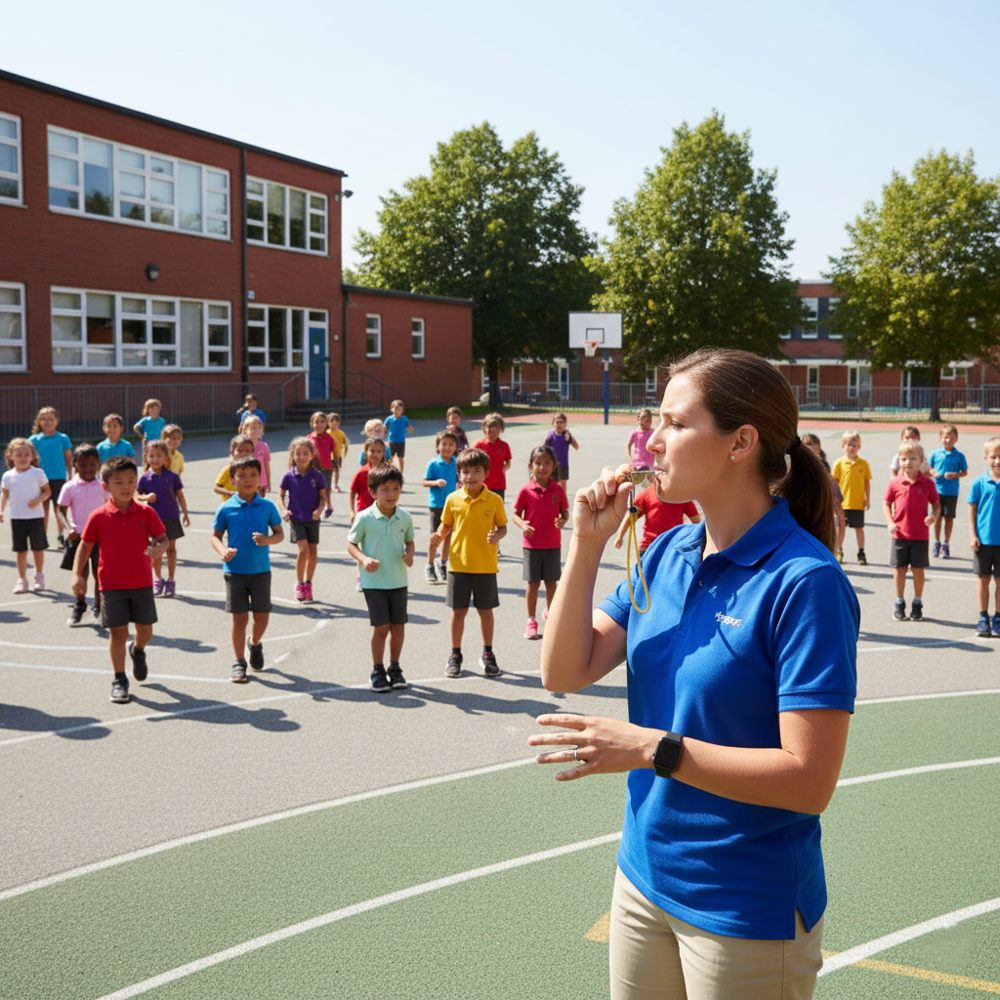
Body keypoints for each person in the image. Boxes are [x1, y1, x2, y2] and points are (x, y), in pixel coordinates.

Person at [529, 348, 859, 1000]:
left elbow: (809, 780)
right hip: (644, 876)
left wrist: (651, 748)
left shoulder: (806, 583)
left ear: (741, 442)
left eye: (675, 424)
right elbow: (565, 668)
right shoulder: (669, 549)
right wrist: (587, 544)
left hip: (746, 904)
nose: (651, 440)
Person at [74, 456, 168, 704]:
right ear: (106, 486)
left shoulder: (146, 513)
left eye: (130, 481)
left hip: (141, 582)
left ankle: (138, 651)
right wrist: (77, 575)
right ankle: (119, 678)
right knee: (118, 632)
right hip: (111, 584)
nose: (126, 486)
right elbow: (84, 547)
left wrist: (160, 548)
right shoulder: (99, 516)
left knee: (145, 632)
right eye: (119, 482)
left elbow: (163, 538)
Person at [430, 446, 507, 678]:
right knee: (458, 611)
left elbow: (502, 526)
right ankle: (455, 654)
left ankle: (488, 653)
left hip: (485, 566)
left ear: (486, 474)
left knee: (486, 612)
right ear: (459, 474)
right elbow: (445, 525)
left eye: (476, 471)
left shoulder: (494, 500)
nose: (470, 476)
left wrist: (498, 535)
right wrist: (438, 536)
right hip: (458, 567)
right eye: (464, 472)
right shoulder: (453, 499)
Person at [211, 456, 284, 682]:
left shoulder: (267, 506)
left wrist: (268, 540)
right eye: (241, 476)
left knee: (262, 616)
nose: (248, 480)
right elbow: (215, 536)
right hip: (235, 572)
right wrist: (222, 550)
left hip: (260, 570)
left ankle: (255, 643)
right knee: (239, 618)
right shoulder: (226, 508)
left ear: (259, 478)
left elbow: (280, 534)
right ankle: (239, 662)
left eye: (253, 475)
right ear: (232, 480)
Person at [347, 464, 415, 692]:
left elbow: (410, 541)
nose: (392, 493)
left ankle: (395, 668)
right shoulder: (365, 517)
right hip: (374, 582)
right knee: (381, 627)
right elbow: (351, 543)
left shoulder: (404, 517)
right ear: (373, 492)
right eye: (385, 489)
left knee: (398, 627)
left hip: (398, 581)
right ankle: (377, 670)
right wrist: (364, 559)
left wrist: (410, 552)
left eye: (396, 488)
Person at [512, 445, 568, 639]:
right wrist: (522, 524)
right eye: (538, 463)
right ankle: (531, 620)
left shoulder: (558, 490)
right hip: (532, 545)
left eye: (547, 463)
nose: (542, 467)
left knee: (551, 583)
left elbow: (565, 512)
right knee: (533, 583)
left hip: (552, 543)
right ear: (530, 465)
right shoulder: (525, 490)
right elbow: (515, 514)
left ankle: (551, 615)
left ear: (554, 466)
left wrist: (562, 520)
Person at [883, 442, 939, 622]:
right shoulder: (895, 483)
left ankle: (917, 602)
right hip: (900, 534)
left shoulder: (928, 483)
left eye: (913, 458)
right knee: (899, 569)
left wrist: (934, 516)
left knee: (917, 569)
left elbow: (936, 504)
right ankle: (899, 602)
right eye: (904, 459)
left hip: (920, 535)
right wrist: (890, 522)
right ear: (899, 461)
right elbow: (886, 503)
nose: (908, 462)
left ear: (922, 461)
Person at [57, 444, 105, 625]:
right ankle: (80, 605)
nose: (87, 469)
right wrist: (68, 528)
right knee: (80, 574)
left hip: (101, 537)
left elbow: (113, 507)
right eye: (82, 465)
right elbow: (60, 510)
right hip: (78, 538)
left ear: (99, 464)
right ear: (75, 464)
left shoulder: (103, 486)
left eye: (92, 464)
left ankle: (99, 608)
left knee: (99, 574)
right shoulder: (70, 487)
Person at [277, 437, 328, 603]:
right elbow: (280, 495)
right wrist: (284, 510)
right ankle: (299, 583)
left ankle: (308, 584)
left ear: (312, 455)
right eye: (298, 453)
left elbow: (323, 498)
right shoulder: (288, 476)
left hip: (312, 519)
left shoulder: (318, 476)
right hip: (296, 519)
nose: (301, 457)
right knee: (304, 549)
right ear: (293, 456)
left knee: (312, 551)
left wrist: (320, 510)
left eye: (305, 453)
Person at [136, 440, 189, 598]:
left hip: (171, 517)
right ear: (146, 457)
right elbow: (136, 495)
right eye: (151, 456)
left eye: (159, 455)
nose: (155, 459)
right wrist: (146, 497)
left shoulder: (172, 476)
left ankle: (171, 580)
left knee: (171, 550)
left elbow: (180, 495)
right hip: (153, 521)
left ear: (166, 457)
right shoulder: (145, 478)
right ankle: (158, 579)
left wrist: (185, 513)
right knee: (156, 550)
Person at [1, 438, 50, 594]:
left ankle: (39, 575)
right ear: (10, 456)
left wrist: (37, 501)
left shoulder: (38, 473)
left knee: (37, 548)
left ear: (33, 456)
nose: (23, 458)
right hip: (17, 518)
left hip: (35, 517)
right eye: (19, 455)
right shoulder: (8, 476)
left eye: (26, 455)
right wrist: (1, 510)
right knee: (21, 550)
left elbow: (47, 491)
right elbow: (4, 494)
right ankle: (22, 579)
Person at [967, 435, 1000, 637]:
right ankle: (982, 616)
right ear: (986, 458)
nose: (998, 461)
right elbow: (972, 508)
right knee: (983, 579)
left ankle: (998, 616)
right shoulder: (979, 482)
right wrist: (973, 535)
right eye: (994, 456)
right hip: (984, 540)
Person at [350, 437, 390, 591]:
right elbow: (352, 491)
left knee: (382, 545)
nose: (375, 454)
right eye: (372, 450)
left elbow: (394, 490)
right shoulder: (362, 472)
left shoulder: (387, 471)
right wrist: (351, 511)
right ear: (365, 452)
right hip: (364, 514)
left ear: (384, 453)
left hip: (383, 513)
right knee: (363, 547)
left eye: (379, 451)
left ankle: (383, 576)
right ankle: (361, 577)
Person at [613, 486, 701, 554]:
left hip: (673, 547)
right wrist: (619, 536)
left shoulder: (681, 496)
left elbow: (697, 521)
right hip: (648, 546)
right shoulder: (646, 494)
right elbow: (631, 518)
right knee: (644, 577)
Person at [28, 406, 72, 538]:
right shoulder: (33, 440)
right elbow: (30, 461)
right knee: (43, 509)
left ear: (57, 421)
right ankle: (42, 536)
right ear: (39, 422)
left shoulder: (63, 438)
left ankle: (61, 535)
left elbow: (69, 459)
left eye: (51, 419)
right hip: (40, 480)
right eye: (43, 419)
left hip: (58, 478)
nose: (47, 422)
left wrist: (71, 475)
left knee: (59, 508)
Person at [422, 430, 459, 584]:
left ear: (455, 447)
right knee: (435, 536)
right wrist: (435, 483)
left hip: (452, 505)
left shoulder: (457, 462)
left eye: (450, 444)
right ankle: (430, 565)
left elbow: (461, 478)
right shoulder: (433, 464)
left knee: (448, 537)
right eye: (443, 444)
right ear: (437, 446)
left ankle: (443, 563)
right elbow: (425, 481)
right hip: (437, 505)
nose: (446, 447)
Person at [831, 430, 871, 564]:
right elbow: (833, 483)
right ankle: (838, 550)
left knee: (859, 528)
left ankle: (861, 552)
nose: (851, 448)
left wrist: (867, 499)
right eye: (849, 445)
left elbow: (867, 482)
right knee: (840, 529)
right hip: (841, 504)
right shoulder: (839, 463)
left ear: (859, 446)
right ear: (843, 446)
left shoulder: (863, 464)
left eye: (854, 445)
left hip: (857, 503)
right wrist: (833, 500)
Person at [928, 423, 968, 558]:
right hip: (937, 491)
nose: (948, 440)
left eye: (951, 438)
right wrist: (932, 473)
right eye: (945, 437)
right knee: (937, 517)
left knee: (949, 518)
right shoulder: (935, 453)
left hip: (951, 492)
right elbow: (928, 467)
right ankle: (936, 542)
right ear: (940, 438)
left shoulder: (959, 455)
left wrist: (954, 475)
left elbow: (964, 472)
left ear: (956, 439)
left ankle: (946, 543)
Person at [800, 434, 843, 553]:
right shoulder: (797, 467)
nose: (811, 449)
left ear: (819, 449)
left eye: (814, 446)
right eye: (808, 446)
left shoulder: (823, 467)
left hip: (819, 507)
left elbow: (834, 495)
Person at [474, 412, 512, 503]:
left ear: (500, 430)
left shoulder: (504, 446)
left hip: (499, 484)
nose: (491, 433)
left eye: (494, 431)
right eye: (489, 431)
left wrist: (505, 467)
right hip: (482, 484)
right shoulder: (479, 445)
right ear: (484, 429)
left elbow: (508, 461)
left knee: (497, 511)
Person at [307, 411, 336, 516]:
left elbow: (334, 451)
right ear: (312, 424)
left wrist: (336, 462)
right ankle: (315, 508)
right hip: (313, 468)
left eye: (322, 422)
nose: (319, 424)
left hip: (326, 467)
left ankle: (329, 505)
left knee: (326, 488)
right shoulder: (309, 439)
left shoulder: (329, 438)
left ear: (326, 423)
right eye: (316, 422)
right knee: (314, 489)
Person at [214, 435, 255, 502]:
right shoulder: (229, 469)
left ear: (252, 451)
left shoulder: (253, 469)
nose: (243, 454)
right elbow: (216, 488)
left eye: (247, 451)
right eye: (240, 451)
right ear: (232, 451)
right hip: (230, 505)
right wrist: (230, 493)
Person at [544, 412, 579, 484]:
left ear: (565, 424)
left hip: (563, 463)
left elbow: (576, 447)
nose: (559, 425)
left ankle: (563, 495)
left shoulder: (566, 435)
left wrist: (570, 438)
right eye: (557, 422)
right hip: (552, 463)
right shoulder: (551, 434)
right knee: (551, 483)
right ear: (553, 424)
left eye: (561, 422)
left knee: (563, 483)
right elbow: (545, 448)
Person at [242, 415, 272, 497]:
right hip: (247, 482)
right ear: (245, 430)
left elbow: (266, 465)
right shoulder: (242, 446)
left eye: (259, 428)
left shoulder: (264, 446)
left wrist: (268, 482)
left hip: (260, 482)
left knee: (258, 505)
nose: (257, 430)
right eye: (253, 428)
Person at [626, 408, 655, 473]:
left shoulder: (653, 433)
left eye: (645, 423)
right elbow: (628, 445)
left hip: (651, 464)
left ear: (650, 421)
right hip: (638, 464)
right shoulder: (635, 433)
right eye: (641, 424)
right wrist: (630, 461)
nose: (643, 426)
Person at [326, 412, 349, 493]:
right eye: (332, 422)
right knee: (329, 471)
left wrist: (344, 451)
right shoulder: (327, 433)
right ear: (328, 423)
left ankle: (335, 484)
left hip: (338, 455)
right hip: (329, 456)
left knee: (337, 470)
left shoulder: (340, 433)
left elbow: (345, 441)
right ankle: (328, 485)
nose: (335, 424)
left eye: (337, 422)